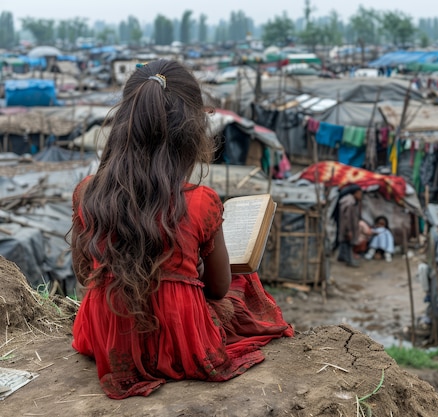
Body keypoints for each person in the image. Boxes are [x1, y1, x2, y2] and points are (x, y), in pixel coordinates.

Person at [69, 59, 293, 400]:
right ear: (191, 131)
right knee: (242, 280)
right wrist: (192, 271)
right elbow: (217, 289)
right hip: (182, 341)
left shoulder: (88, 192)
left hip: (106, 336)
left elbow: (86, 273)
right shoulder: (202, 201)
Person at [335, 184, 363, 267]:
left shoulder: (349, 201)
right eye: (360, 194)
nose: (361, 196)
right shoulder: (350, 203)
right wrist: (348, 230)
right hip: (348, 227)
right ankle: (349, 261)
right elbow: (347, 218)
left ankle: (341, 257)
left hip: (345, 226)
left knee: (344, 242)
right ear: (355, 193)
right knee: (348, 243)